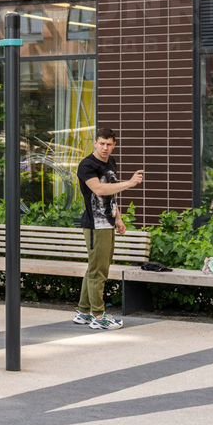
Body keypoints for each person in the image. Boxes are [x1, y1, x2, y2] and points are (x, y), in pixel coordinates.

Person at [74, 128, 143, 330]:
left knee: (94, 268)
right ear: (95, 143)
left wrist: (118, 218)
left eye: (109, 144)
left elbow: (110, 196)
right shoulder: (87, 165)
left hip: (108, 223)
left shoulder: (111, 162)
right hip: (95, 225)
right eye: (102, 143)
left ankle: (83, 312)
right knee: (99, 271)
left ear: (114, 145)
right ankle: (98, 315)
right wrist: (129, 183)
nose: (105, 148)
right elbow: (99, 189)